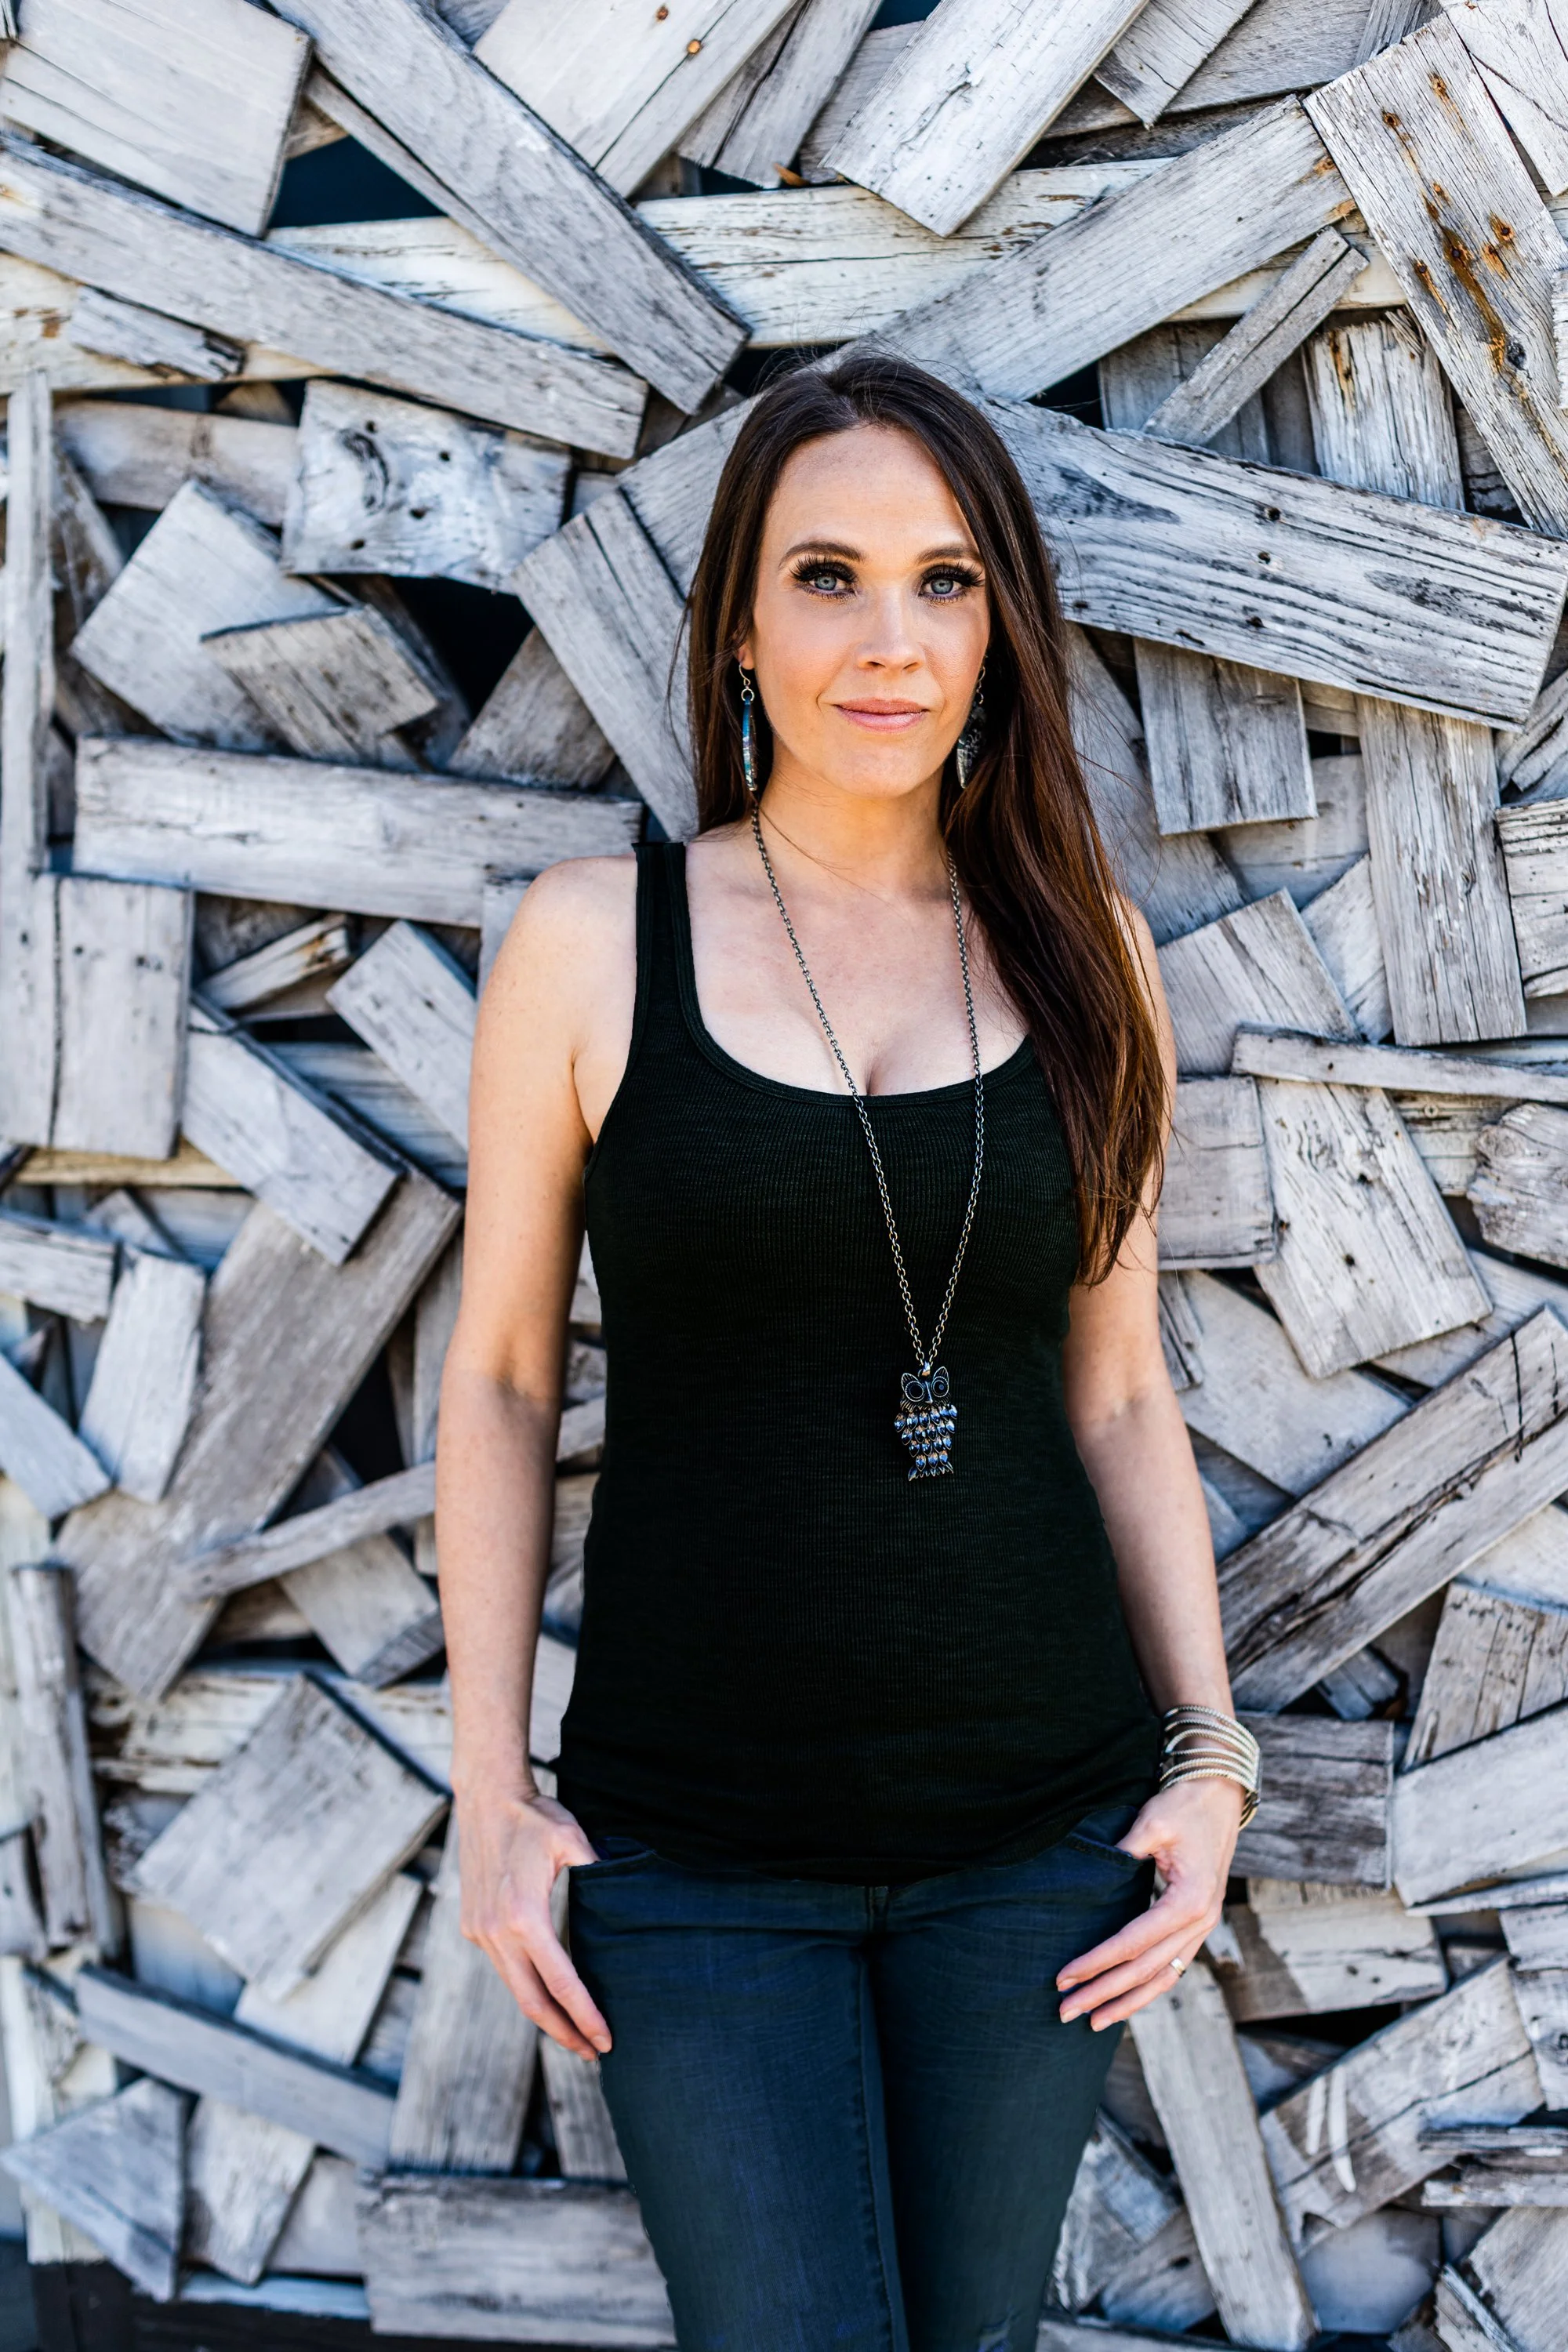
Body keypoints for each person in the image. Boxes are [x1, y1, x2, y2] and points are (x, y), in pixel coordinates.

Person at [436, 353, 1260, 2352]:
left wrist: (1211, 1759)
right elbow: (503, 1380)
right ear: (735, 621)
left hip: (1034, 1843)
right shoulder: (588, 935)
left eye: (946, 581)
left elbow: (1123, 1389)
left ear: (1000, 629)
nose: (889, 642)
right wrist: (488, 1790)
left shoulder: (1089, 956)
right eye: (827, 576)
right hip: (694, 1850)